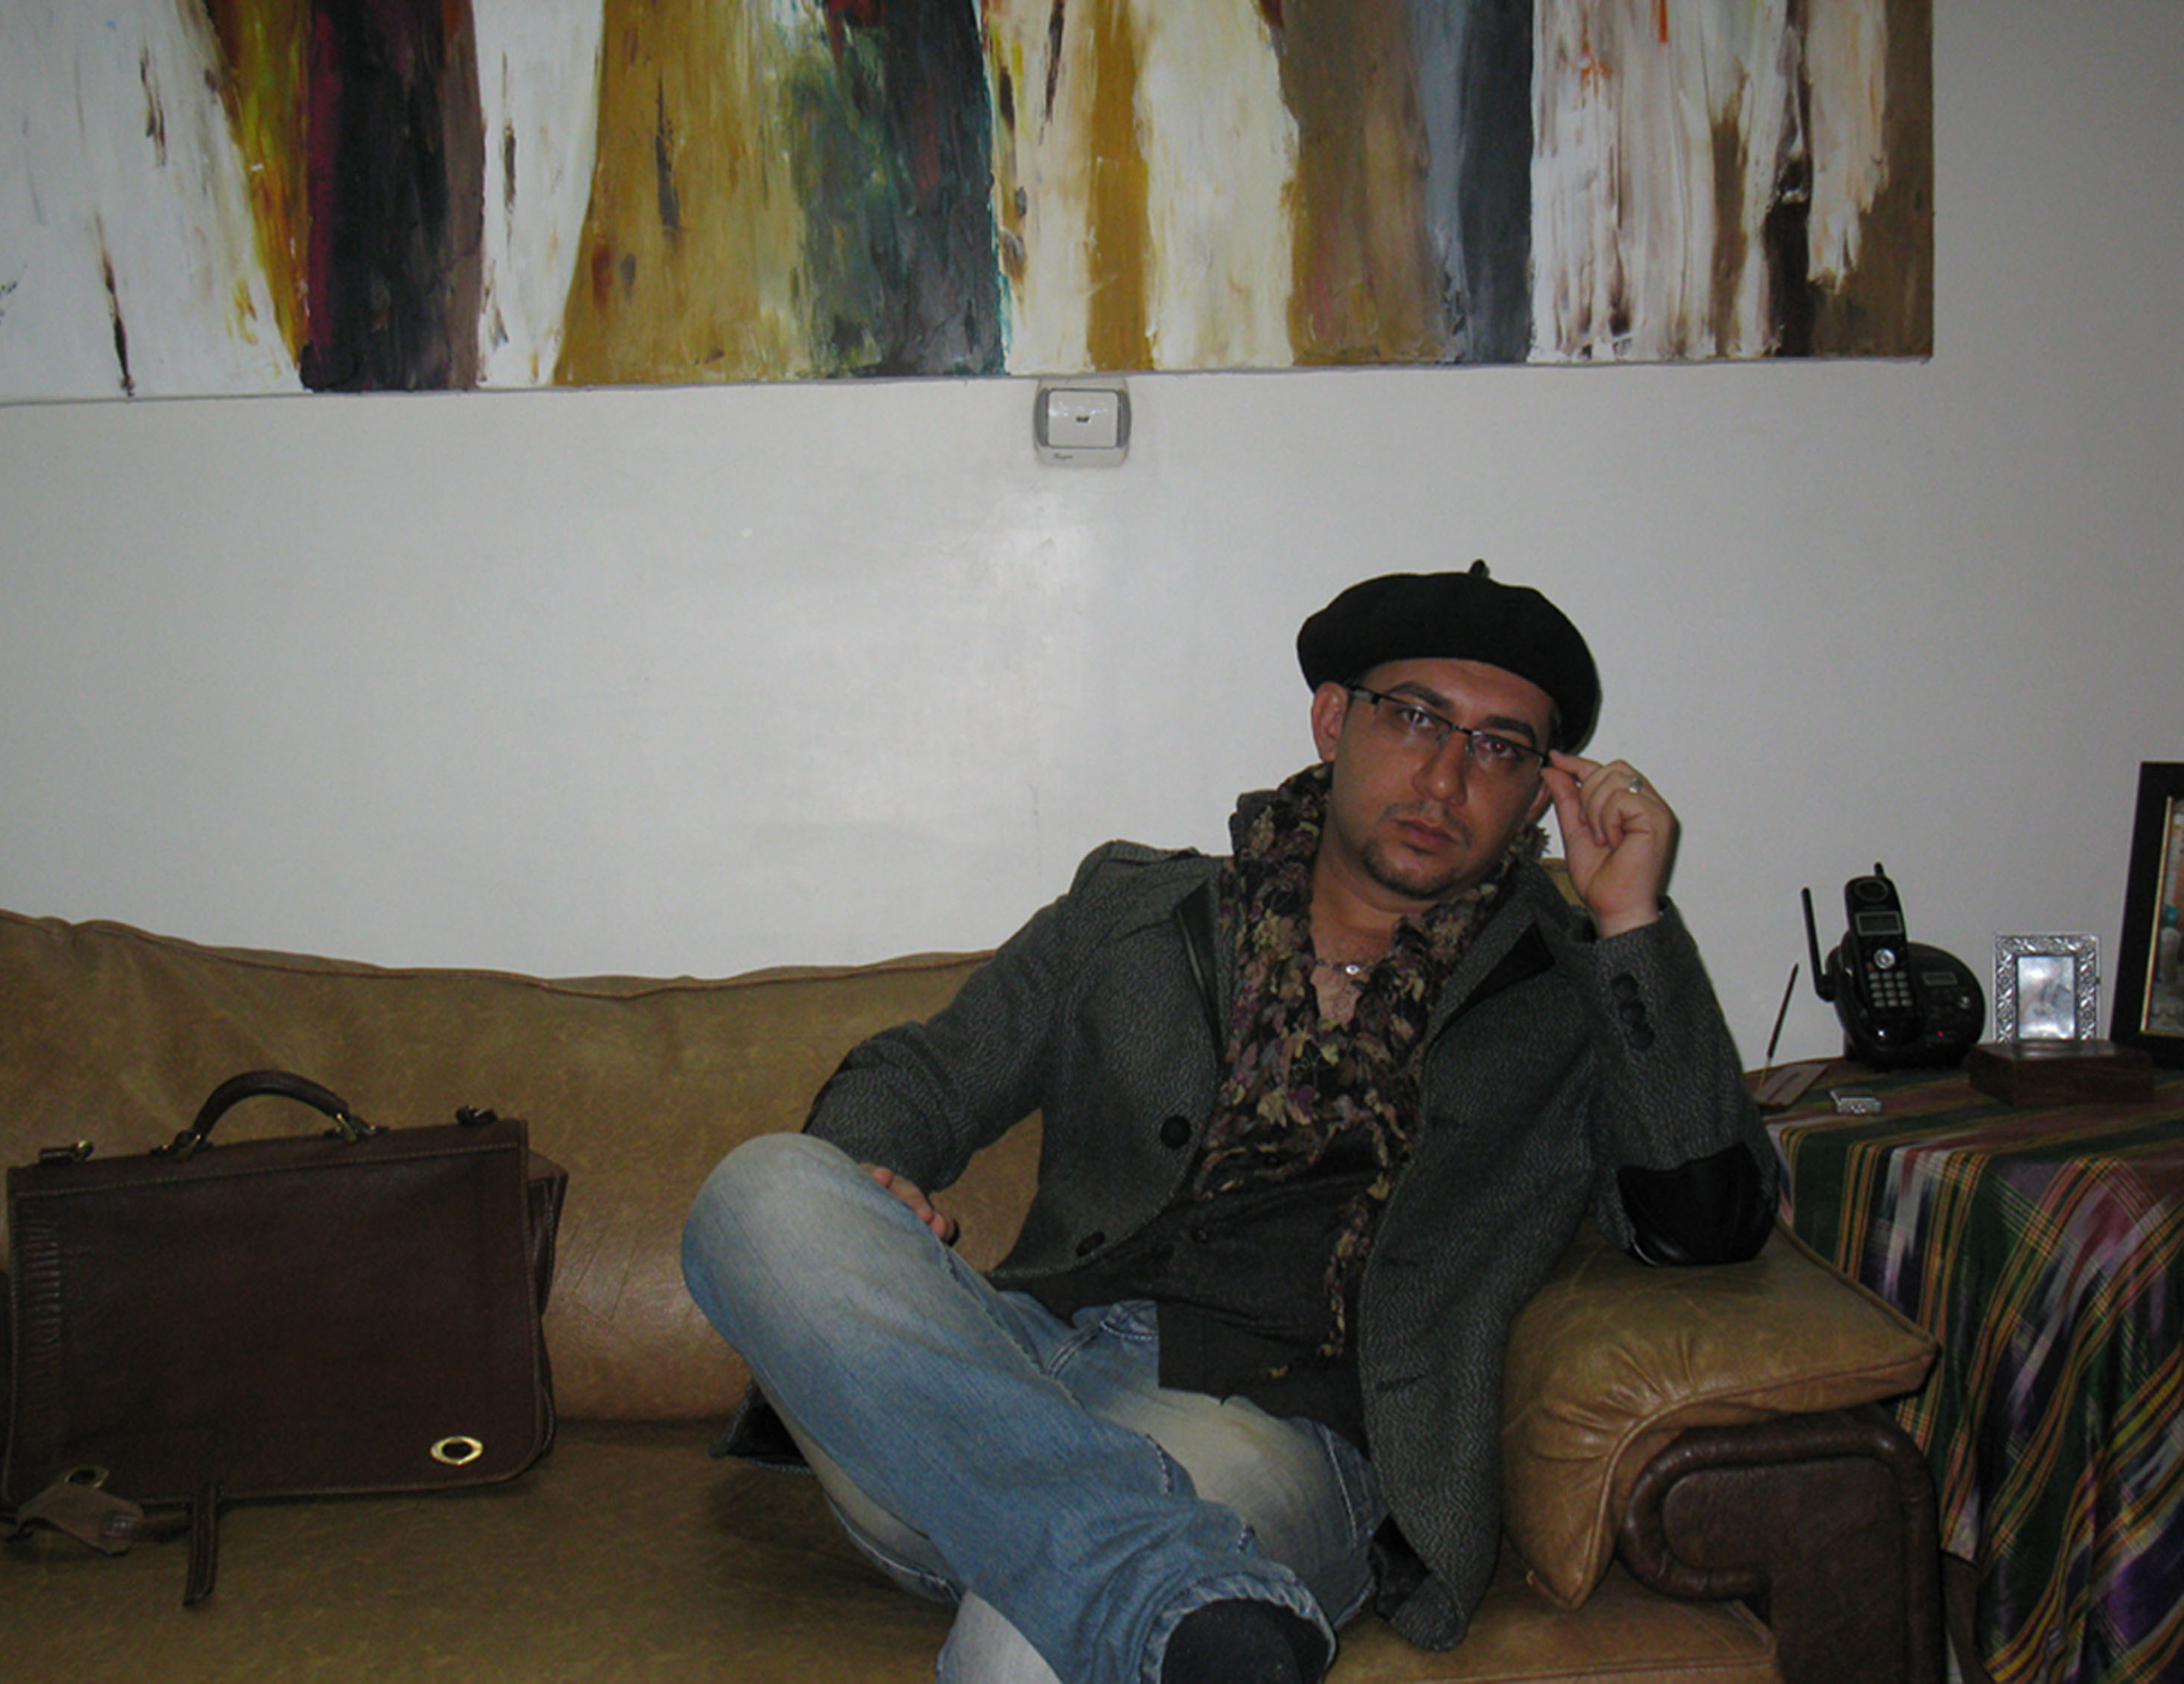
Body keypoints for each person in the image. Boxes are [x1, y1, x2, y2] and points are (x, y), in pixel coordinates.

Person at [682, 563, 1775, 1684]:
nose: (1447, 778)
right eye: (1414, 718)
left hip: (1270, 1429)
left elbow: (1703, 1221)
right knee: (761, 1189)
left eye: (1499, 748)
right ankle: (1170, 1589)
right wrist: (875, 1169)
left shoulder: (1567, 997)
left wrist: (1630, 922)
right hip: (996, 1375)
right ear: (1333, 721)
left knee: (1030, 1651)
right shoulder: (1135, 912)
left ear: (1540, 793)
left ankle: (1127, 1584)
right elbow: (921, 1075)